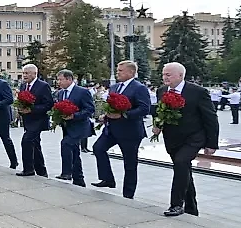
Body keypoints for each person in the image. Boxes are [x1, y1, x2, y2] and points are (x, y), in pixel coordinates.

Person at [155, 62, 219, 216]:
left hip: (193, 137)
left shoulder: (198, 92)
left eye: (168, 74)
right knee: (183, 169)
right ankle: (192, 208)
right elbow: (159, 112)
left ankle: (176, 204)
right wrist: (157, 125)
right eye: (163, 74)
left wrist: (212, 143)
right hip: (172, 139)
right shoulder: (161, 91)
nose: (165, 77)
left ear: (180, 75)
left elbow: (210, 117)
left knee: (181, 162)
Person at [91, 61, 151, 198]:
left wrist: (123, 114)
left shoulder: (139, 88)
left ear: (131, 72)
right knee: (98, 148)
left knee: (129, 163)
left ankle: (128, 194)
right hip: (112, 128)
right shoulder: (115, 87)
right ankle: (107, 179)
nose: (117, 73)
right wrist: (105, 115)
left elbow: (144, 108)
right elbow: (110, 105)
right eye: (118, 70)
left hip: (130, 131)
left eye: (120, 71)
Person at [53, 69, 95, 187]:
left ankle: (67, 172)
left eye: (61, 79)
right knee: (75, 153)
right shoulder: (60, 93)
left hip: (79, 126)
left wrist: (74, 115)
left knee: (65, 144)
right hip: (67, 127)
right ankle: (79, 180)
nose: (58, 82)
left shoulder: (82, 92)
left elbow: (90, 109)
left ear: (69, 79)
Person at [15, 64, 54, 178]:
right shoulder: (23, 86)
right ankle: (41, 171)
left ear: (34, 73)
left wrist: (31, 109)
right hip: (27, 121)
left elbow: (48, 104)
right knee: (35, 145)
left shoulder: (43, 86)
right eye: (23, 73)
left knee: (26, 141)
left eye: (27, 73)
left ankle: (28, 169)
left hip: (38, 120)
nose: (24, 76)